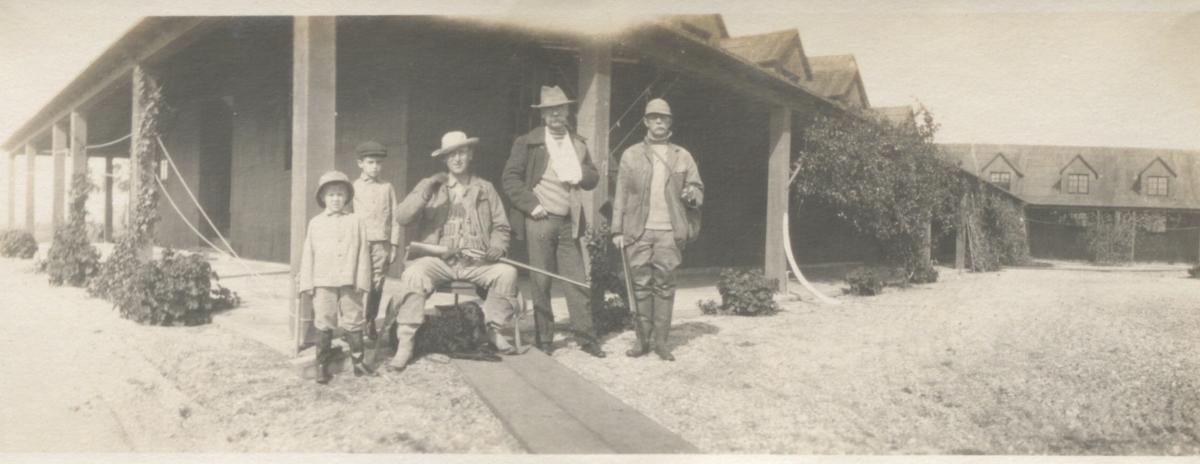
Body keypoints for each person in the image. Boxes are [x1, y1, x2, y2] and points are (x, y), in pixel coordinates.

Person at [386, 131, 520, 372]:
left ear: (470, 155)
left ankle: (493, 330)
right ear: (444, 160)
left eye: (461, 153)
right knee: (414, 275)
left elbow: (501, 226)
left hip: (475, 263)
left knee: (507, 273)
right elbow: (402, 217)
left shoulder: (485, 189)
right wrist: (425, 189)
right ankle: (406, 342)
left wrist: (497, 246)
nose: (457, 159)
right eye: (451, 155)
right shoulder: (431, 186)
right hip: (438, 260)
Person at [502, 85, 604, 358]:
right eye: (551, 110)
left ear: (568, 111)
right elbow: (510, 178)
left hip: (569, 221)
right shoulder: (528, 142)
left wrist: (579, 172)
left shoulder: (578, 143)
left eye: (561, 108)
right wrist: (531, 205)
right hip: (541, 220)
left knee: (577, 280)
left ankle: (586, 337)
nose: (556, 114)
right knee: (541, 281)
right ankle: (544, 339)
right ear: (543, 115)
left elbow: (593, 178)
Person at [611, 98, 703, 361]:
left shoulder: (682, 156)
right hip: (637, 231)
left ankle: (662, 342)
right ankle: (642, 340)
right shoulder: (631, 154)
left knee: (665, 286)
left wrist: (691, 193)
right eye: (654, 117)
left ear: (670, 122)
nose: (659, 122)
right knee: (640, 286)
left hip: (669, 232)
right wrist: (617, 230)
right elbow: (620, 196)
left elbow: (698, 188)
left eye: (663, 118)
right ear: (646, 122)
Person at [297, 170, 376, 384]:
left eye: (340, 194)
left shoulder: (356, 221)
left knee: (353, 318)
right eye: (331, 195)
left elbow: (362, 253)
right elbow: (308, 254)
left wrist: (362, 280)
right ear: (323, 197)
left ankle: (358, 361)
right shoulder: (316, 223)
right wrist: (307, 282)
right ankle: (322, 364)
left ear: (347, 197)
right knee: (324, 320)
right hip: (323, 281)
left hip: (350, 280)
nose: (335, 199)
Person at [351, 141, 401, 341]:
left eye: (378, 163)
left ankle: (370, 320)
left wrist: (394, 244)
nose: (375, 167)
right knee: (358, 282)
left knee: (377, 284)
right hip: (360, 243)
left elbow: (395, 217)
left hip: (381, 243)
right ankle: (354, 323)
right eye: (370, 162)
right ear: (360, 163)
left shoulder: (387, 187)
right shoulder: (353, 187)